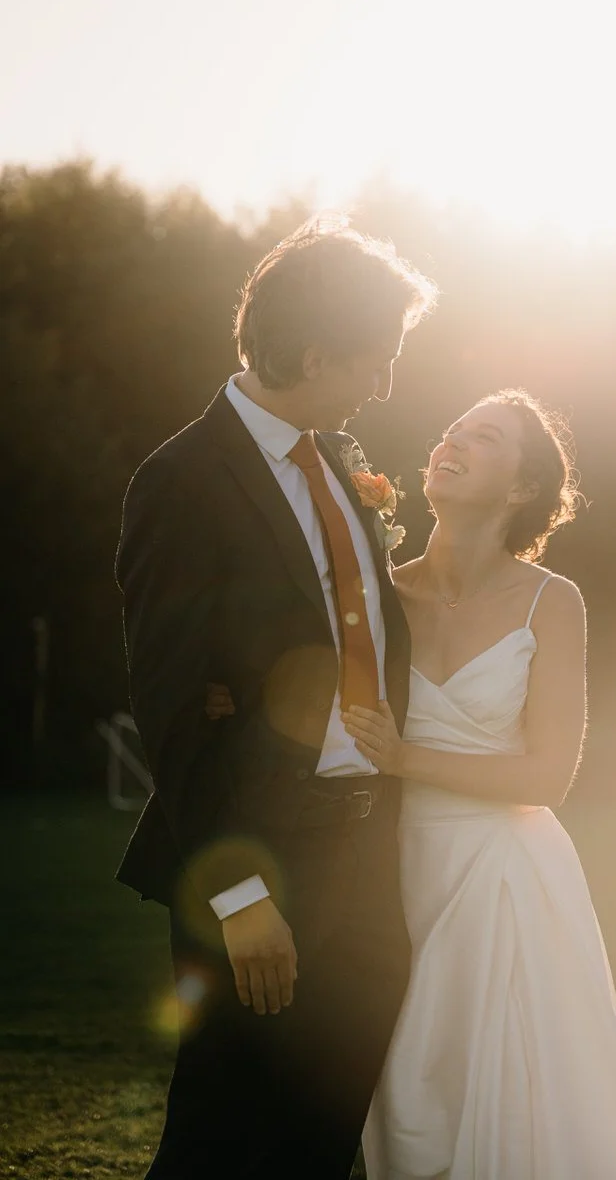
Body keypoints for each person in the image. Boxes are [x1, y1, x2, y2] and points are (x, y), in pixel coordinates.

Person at [216, 386, 616, 1175]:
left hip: (505, 883)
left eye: (483, 436)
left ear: (524, 488)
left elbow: (549, 775)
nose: (450, 441)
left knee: (510, 1101)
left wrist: (405, 760)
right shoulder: (375, 595)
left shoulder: (552, 604)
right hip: (381, 875)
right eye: (451, 428)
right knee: (393, 1100)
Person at [114, 215, 438, 1180]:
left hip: (368, 854)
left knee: (321, 1134)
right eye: (376, 360)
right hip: (261, 861)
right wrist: (241, 893)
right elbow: (171, 709)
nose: (385, 384)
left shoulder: (340, 462)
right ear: (311, 352)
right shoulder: (180, 482)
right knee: (223, 1133)